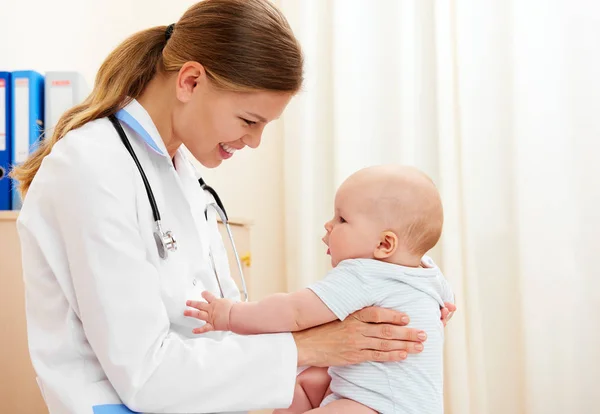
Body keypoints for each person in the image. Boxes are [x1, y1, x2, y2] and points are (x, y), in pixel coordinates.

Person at [11, 1, 454, 413]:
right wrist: (314, 345)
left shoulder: (179, 171)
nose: (254, 141)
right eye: (249, 121)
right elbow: (145, 374)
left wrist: (401, 279)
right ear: (190, 81)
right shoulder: (91, 166)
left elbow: (212, 325)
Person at [185, 165, 454, 414]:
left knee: (303, 383)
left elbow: (295, 312)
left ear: (385, 244)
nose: (329, 225)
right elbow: (447, 305)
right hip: (405, 401)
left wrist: (230, 315)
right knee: (299, 386)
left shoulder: (363, 272)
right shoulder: (428, 271)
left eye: (342, 219)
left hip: (375, 406)